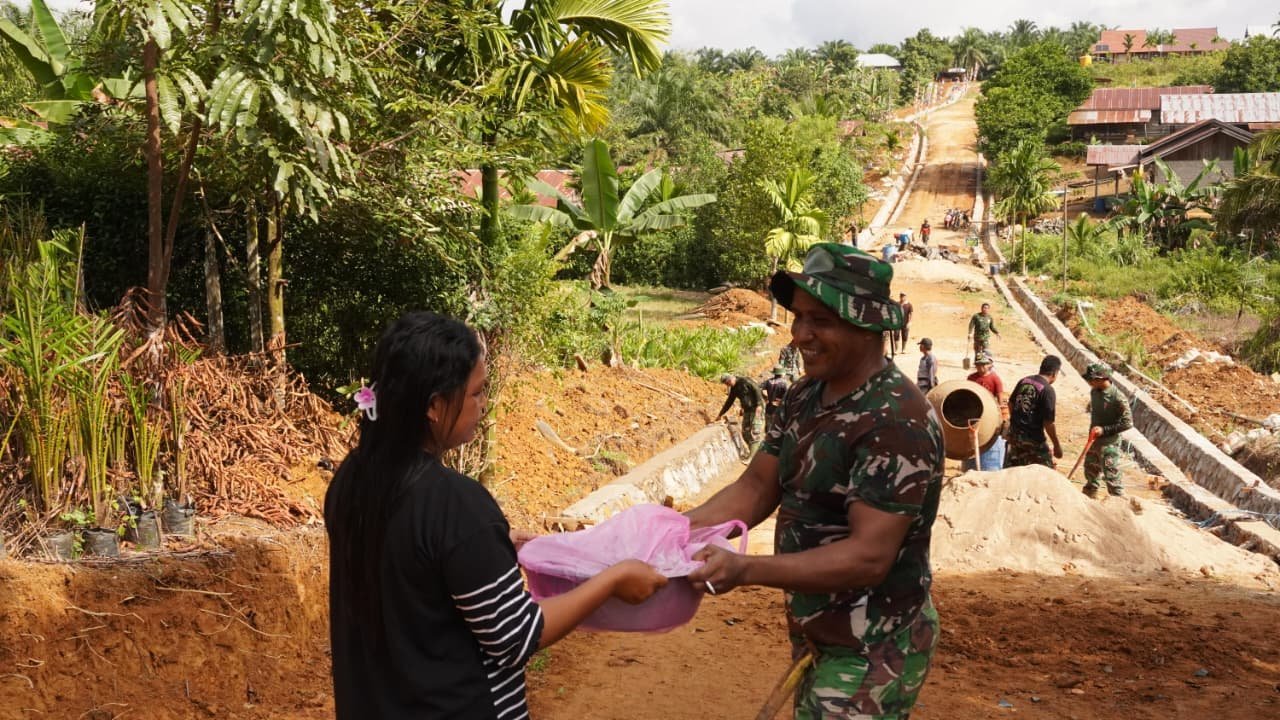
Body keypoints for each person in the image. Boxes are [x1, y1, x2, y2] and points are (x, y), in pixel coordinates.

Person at [325, 312, 667, 719]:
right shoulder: (456, 503)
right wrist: (612, 579)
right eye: (476, 393)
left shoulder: (352, 479)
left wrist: (490, 549)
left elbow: (411, 569)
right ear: (435, 406)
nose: (483, 405)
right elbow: (517, 637)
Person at [687, 243, 945, 720]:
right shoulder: (806, 395)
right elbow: (757, 487)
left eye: (820, 321)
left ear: (868, 325)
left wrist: (745, 570)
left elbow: (868, 557)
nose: (800, 335)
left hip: (871, 643)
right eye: (799, 318)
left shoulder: (894, 420)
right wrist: (665, 533)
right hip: (819, 628)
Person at [1082, 363, 1134, 498]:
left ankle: (1120, 510)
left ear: (1101, 379)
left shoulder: (1118, 398)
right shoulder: (1094, 392)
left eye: (1091, 379)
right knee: (1090, 475)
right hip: (1094, 442)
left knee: (1112, 479)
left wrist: (1104, 430)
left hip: (1109, 445)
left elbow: (1128, 423)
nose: (1089, 382)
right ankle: (1089, 501)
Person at [1003, 355, 1064, 469]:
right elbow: (1048, 423)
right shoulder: (1047, 390)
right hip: (1033, 438)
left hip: (1015, 434)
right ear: (1055, 373)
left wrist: (1017, 420)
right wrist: (1056, 445)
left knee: (1014, 469)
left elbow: (1011, 403)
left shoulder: (1024, 381)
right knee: (1047, 471)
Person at [717, 373, 765, 447]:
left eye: (728, 382)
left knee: (755, 431)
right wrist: (720, 414)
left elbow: (756, 389)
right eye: (726, 384)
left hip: (756, 408)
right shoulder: (734, 389)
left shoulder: (745, 381)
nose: (728, 385)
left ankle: (753, 455)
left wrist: (759, 404)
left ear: (732, 378)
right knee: (745, 432)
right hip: (747, 410)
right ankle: (754, 450)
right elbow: (729, 402)